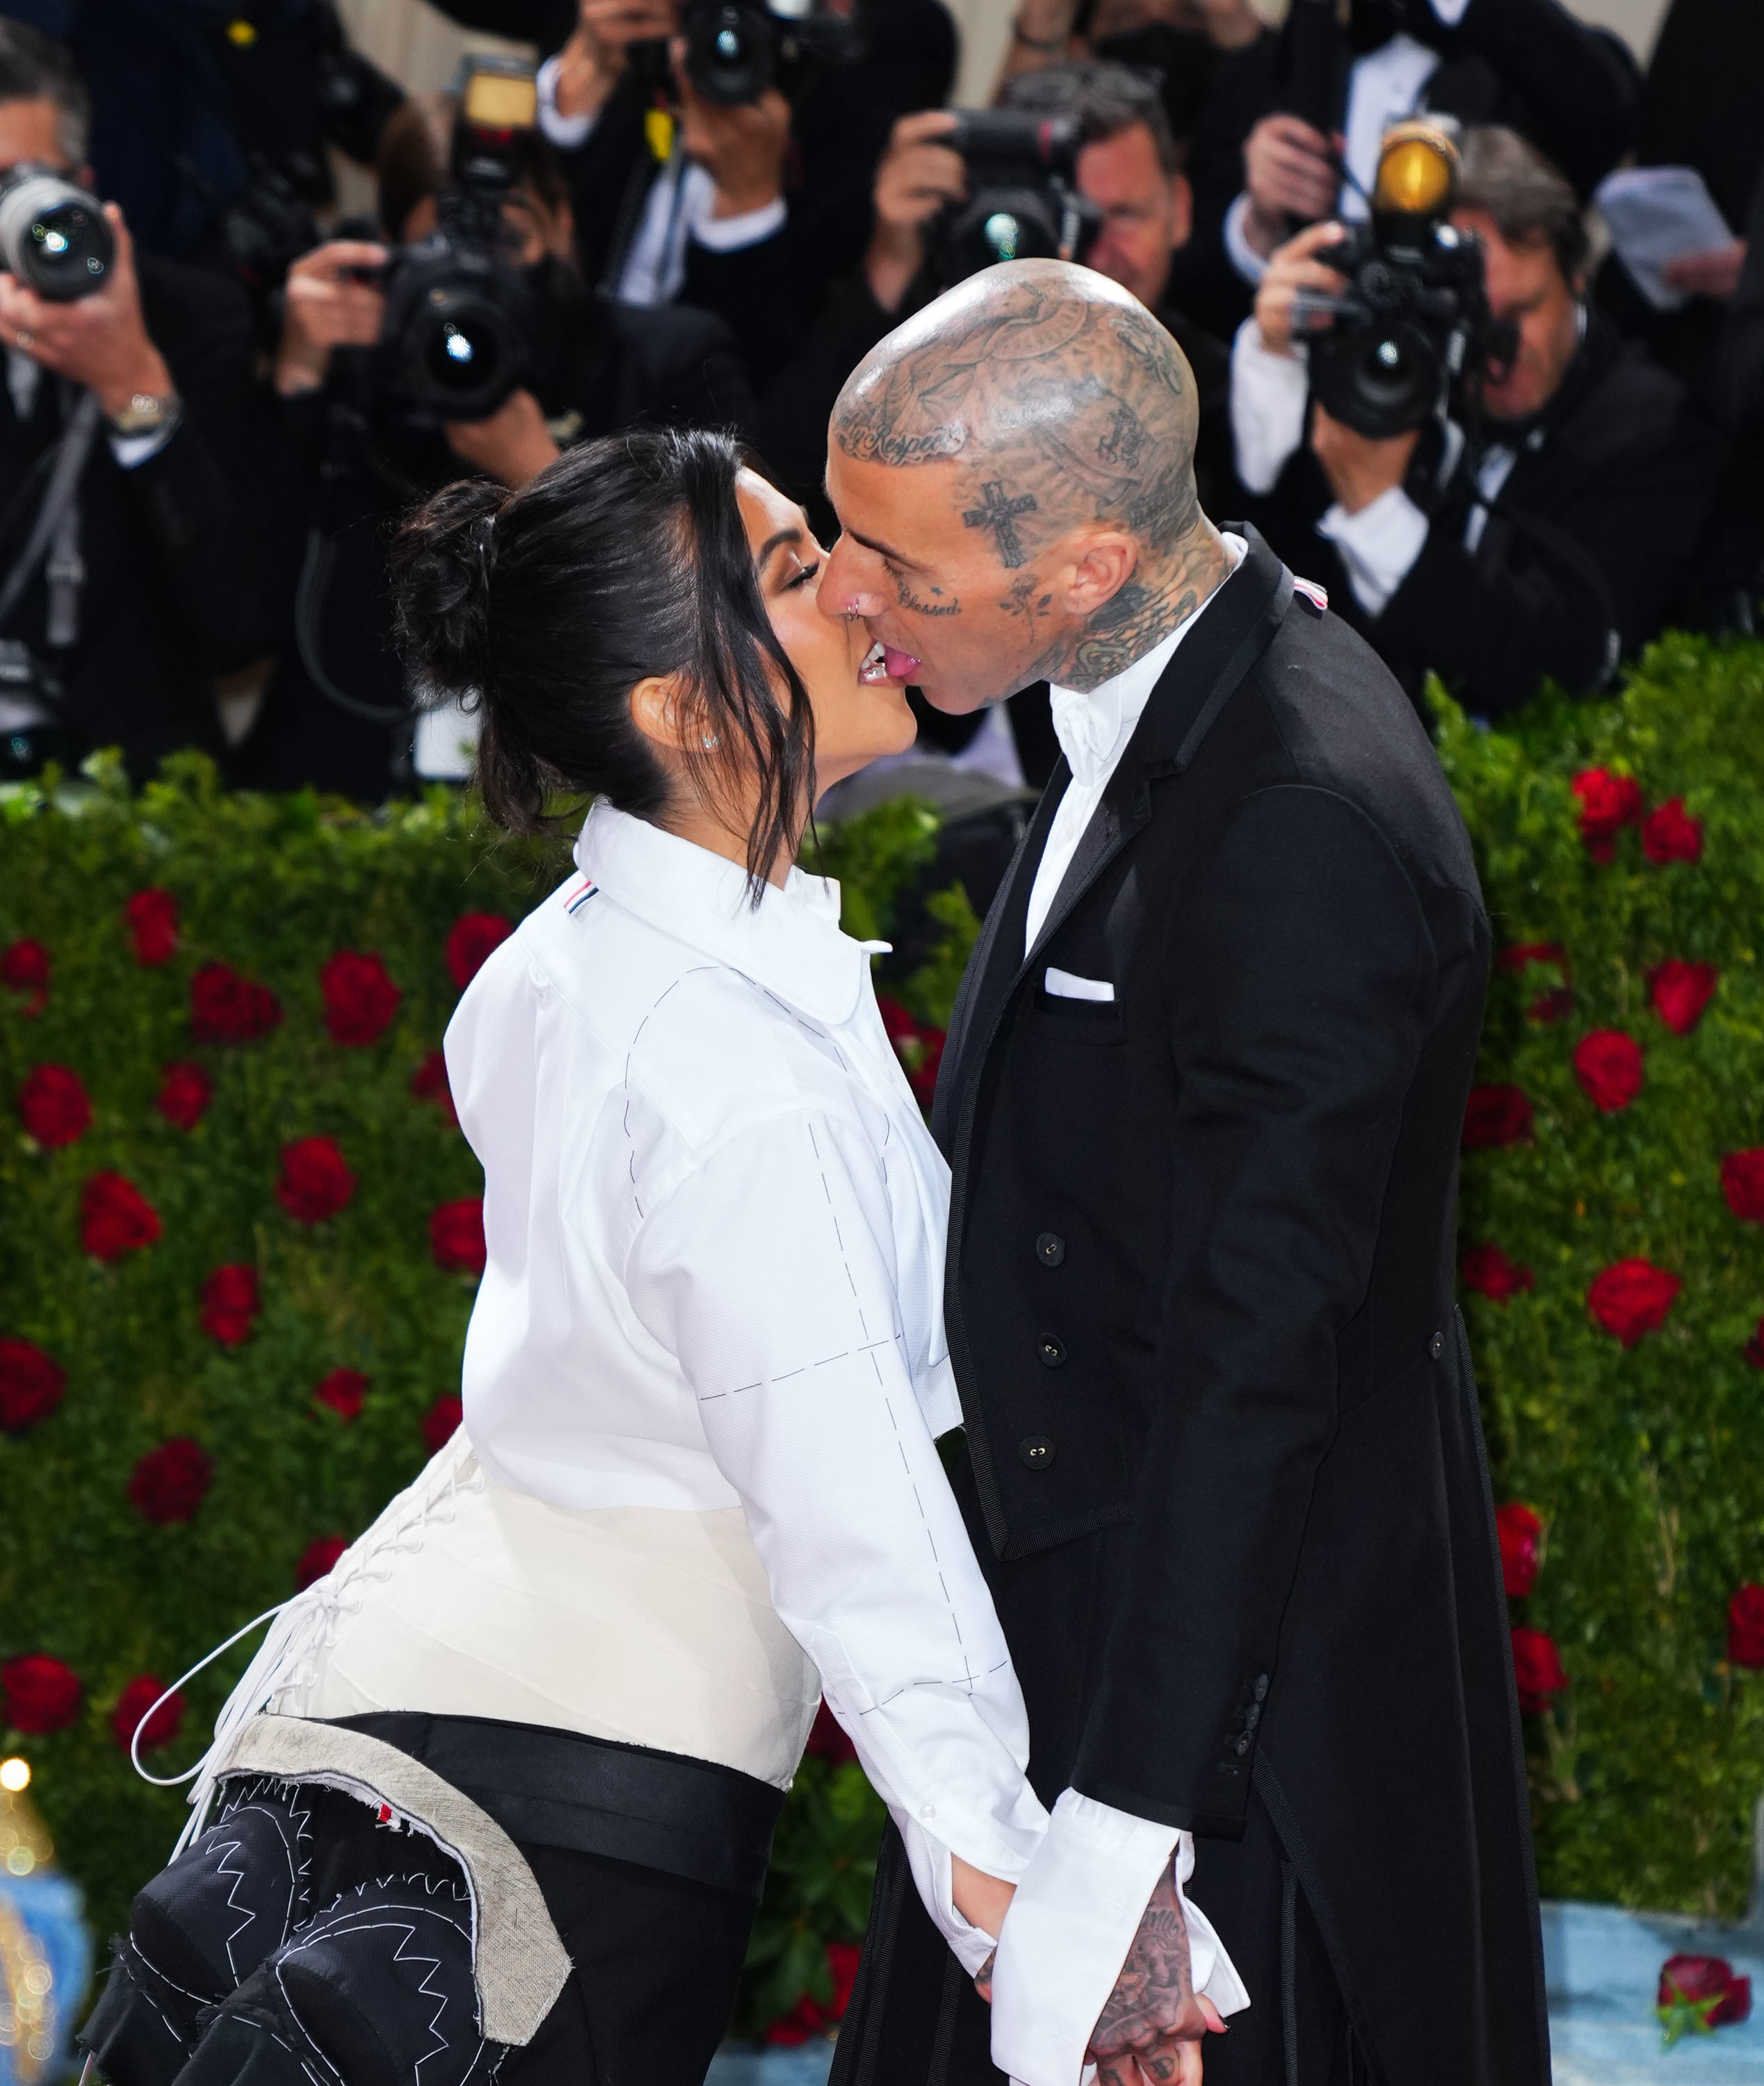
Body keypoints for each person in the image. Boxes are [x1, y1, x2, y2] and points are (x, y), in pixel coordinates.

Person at [81, 427, 1058, 2086]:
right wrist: (1018, 1904)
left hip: (364, 1743)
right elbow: (850, 1520)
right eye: (798, 572)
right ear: (677, 707)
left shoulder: (567, 960)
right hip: (567, 1814)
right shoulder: (730, 1070)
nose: (862, 587)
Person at [815, 258, 1544, 2085]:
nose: (843, 596)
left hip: (1229, 1729)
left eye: (898, 567)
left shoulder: (1297, 819)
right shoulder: (1168, 674)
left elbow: (1255, 1370)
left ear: (1084, 571)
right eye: (844, 536)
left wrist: (1121, 1838)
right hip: (1083, 1610)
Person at [229, 92, 752, 802]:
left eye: (507, 242)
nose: (480, 275)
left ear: (562, 221)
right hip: (335, 799)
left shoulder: (663, 363)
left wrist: (543, 474)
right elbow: (235, 618)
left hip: (570, 810)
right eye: (441, 248)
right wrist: (296, 379)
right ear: (388, 257)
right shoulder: (354, 366)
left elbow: (728, 614)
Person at [756, 61, 1240, 789]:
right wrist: (888, 262)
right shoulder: (902, 337)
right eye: (1052, 212)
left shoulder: (1211, 385)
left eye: (1121, 216)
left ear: (1180, 208)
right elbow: (766, 470)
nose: (1080, 252)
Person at [1233, 125, 1726, 720]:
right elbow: (1266, 574)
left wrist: (1374, 512)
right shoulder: (1403, 370)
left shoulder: (1658, 431)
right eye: (1473, 318)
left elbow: (1559, 666)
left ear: (1577, 276)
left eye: (1521, 310)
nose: (1499, 352)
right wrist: (1274, 357)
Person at [0, 18, 267, 783]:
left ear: (80, 185)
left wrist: (134, 386)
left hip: (136, 789)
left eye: (18, 184)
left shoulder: (191, 318)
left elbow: (238, 626)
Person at [1173, 0, 1640, 343]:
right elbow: (1185, 283)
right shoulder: (1276, 69)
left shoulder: (1536, 68)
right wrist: (1256, 227)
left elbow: (1607, 115)